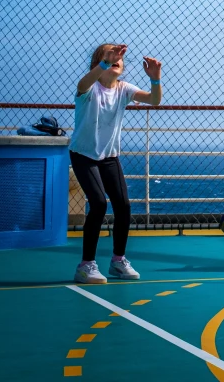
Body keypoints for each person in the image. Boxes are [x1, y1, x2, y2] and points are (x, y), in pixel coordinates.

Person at [70, 44, 162, 284]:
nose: (116, 58)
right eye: (109, 56)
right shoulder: (89, 88)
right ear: (97, 63)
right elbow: (82, 84)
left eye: (118, 57)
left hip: (109, 157)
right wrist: (104, 63)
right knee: (99, 204)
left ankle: (118, 261)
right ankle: (85, 266)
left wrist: (155, 79)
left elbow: (154, 100)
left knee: (123, 206)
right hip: (83, 155)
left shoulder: (124, 89)